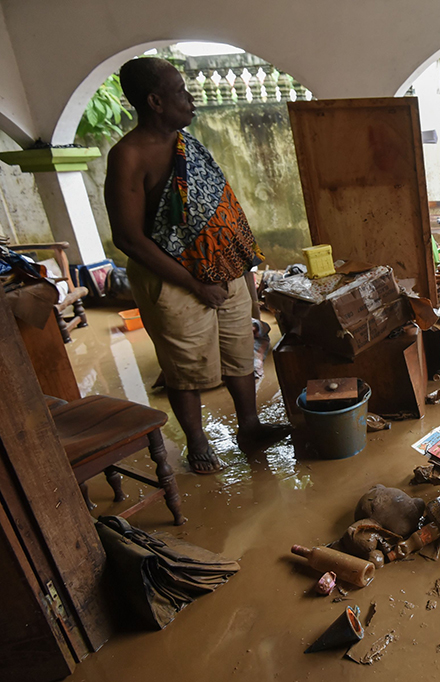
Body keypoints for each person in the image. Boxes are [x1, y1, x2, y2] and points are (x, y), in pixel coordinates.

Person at [104, 57, 289, 474]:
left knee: (240, 352)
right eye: (180, 92)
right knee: (184, 366)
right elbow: (129, 238)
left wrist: (244, 272)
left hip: (224, 273)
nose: (190, 100)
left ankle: (249, 427)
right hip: (173, 282)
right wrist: (193, 283)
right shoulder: (128, 156)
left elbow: (223, 212)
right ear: (154, 101)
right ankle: (198, 441)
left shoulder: (188, 145)